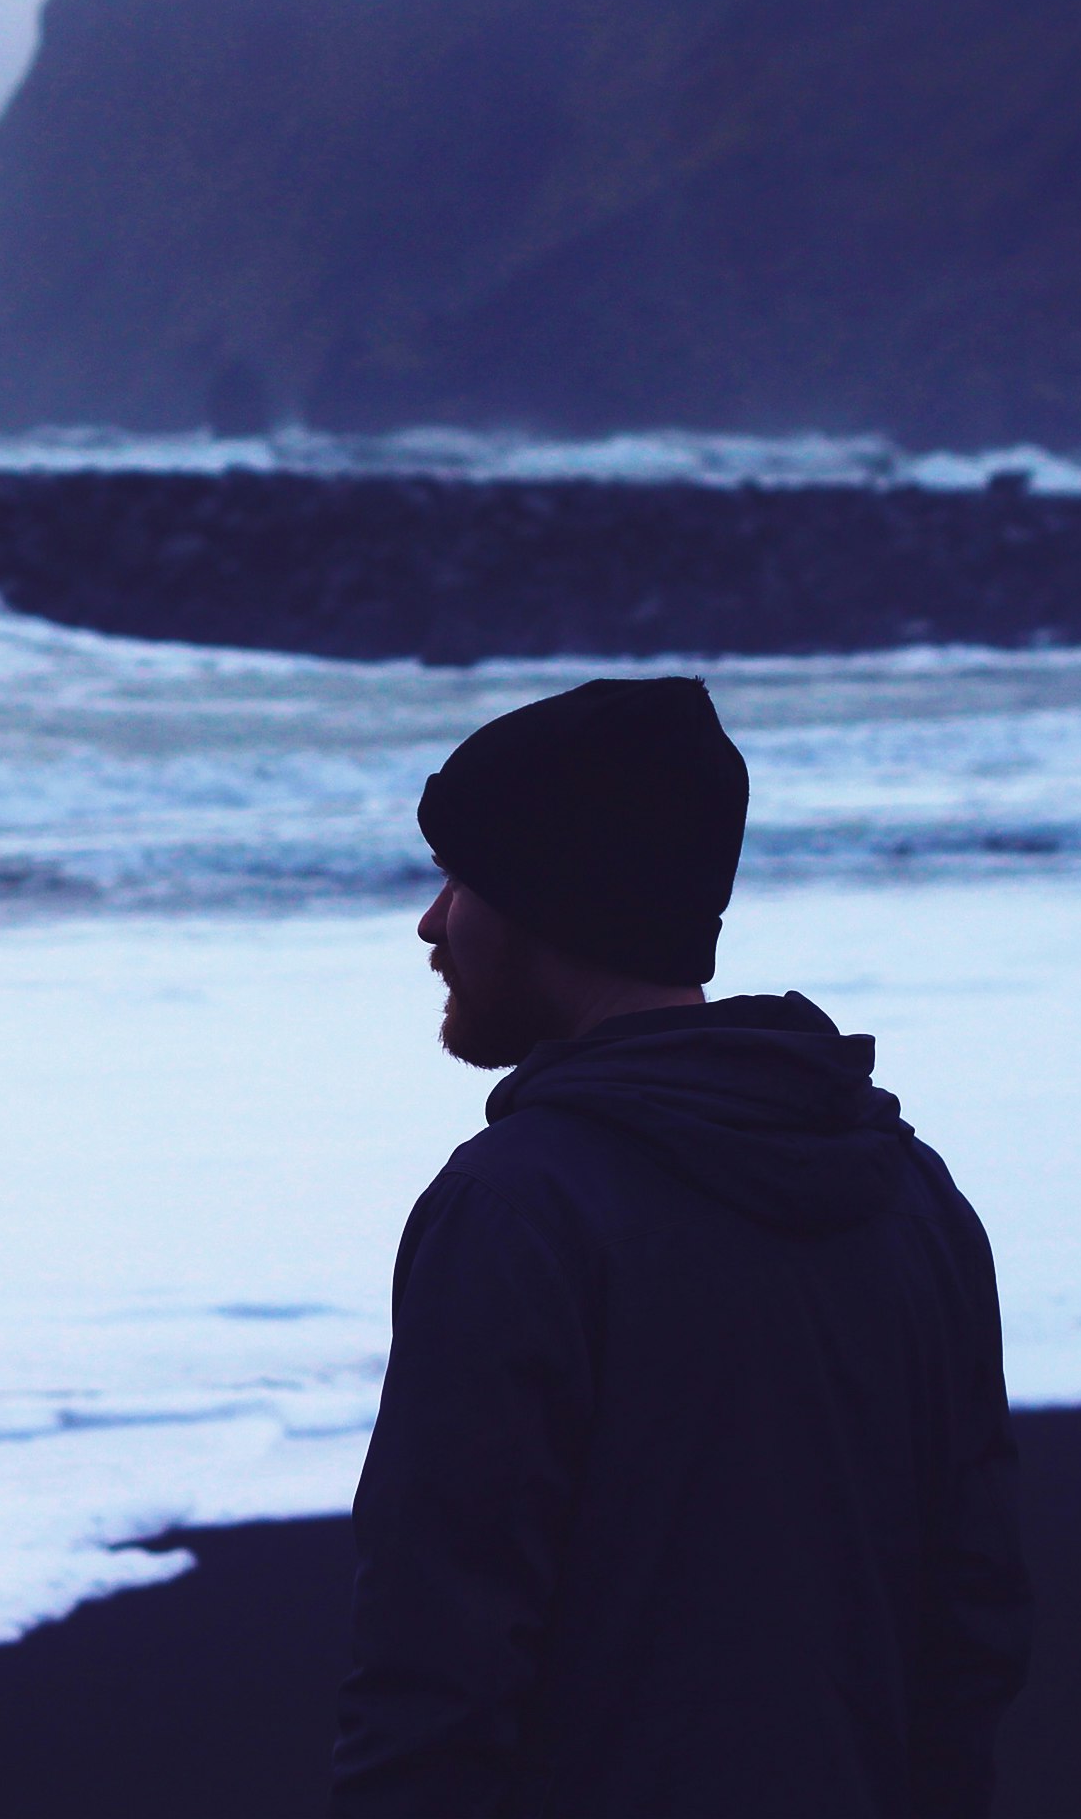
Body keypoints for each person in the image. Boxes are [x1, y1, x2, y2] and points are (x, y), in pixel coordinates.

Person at [333, 677, 1029, 1817]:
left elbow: (437, 1655)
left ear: (542, 902)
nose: (431, 921)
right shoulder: (911, 1195)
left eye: (460, 879)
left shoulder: (519, 1207)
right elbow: (975, 1621)